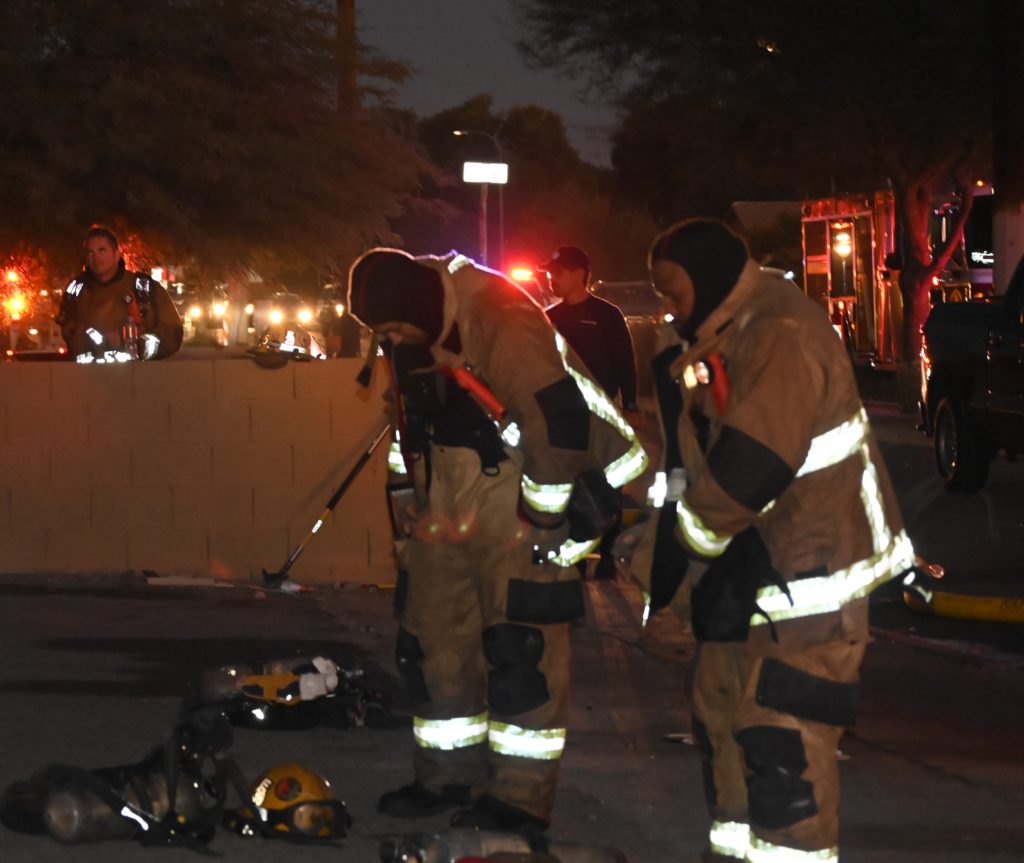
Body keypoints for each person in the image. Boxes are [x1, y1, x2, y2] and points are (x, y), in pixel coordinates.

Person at [639, 219, 914, 863]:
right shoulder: (719, 335)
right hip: (754, 570)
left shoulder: (778, 334)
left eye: (675, 294)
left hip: (815, 579)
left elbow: (746, 470)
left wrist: (686, 556)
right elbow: (693, 463)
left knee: (782, 742)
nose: (668, 309)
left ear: (710, 282)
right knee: (721, 718)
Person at [347, 248, 647, 835]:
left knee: (520, 650)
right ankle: (446, 776)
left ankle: (520, 798)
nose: (390, 341)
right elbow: (405, 418)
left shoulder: (498, 314)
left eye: (393, 329)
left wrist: (543, 520)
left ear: (416, 306)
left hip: (513, 492)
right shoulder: (412, 328)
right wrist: (405, 496)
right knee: (431, 641)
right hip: (444, 499)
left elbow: (557, 426)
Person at [540, 245, 642, 581]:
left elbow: (625, 360)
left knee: (607, 481)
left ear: (579, 273)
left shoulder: (606, 315)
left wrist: (630, 404)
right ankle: (578, 554)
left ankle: (608, 554)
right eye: (550, 273)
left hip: (602, 411)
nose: (551, 278)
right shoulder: (549, 317)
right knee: (570, 482)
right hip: (563, 412)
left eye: (558, 272)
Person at [57, 226, 183, 362]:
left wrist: (131, 344)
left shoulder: (144, 288)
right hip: (89, 373)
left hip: (138, 373)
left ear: (117, 254)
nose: (96, 258)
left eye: (102, 250)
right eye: (90, 252)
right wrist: (93, 345)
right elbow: (69, 335)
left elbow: (171, 337)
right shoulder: (76, 291)